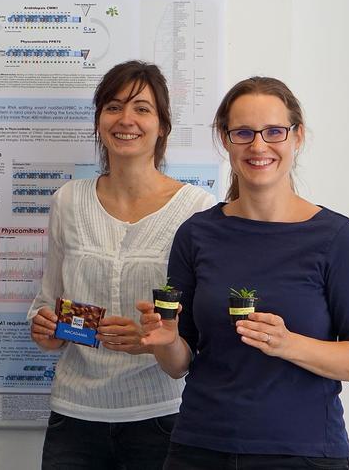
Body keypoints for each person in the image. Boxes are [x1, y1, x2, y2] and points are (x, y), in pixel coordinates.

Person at [139, 76, 349, 469]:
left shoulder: (337, 237)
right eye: (244, 132)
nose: (258, 145)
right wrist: (166, 341)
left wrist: (288, 344)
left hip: (303, 453)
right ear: (225, 139)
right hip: (200, 448)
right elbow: (179, 363)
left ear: (297, 137)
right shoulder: (196, 234)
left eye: (274, 132)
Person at [27, 60, 215, 469]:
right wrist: (46, 328)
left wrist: (155, 339)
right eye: (113, 107)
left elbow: (202, 330)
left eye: (142, 108)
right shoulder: (68, 201)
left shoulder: (197, 210)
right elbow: (48, 301)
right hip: (74, 417)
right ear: (98, 121)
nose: (126, 119)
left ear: (162, 125)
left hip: (160, 417)